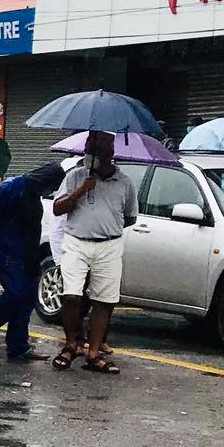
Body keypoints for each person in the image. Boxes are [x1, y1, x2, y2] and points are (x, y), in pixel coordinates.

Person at [51, 131, 139, 374]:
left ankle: (94, 352)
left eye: (95, 153)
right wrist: (80, 190)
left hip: (109, 244)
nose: (90, 157)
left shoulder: (124, 182)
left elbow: (130, 217)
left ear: (109, 155)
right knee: (71, 295)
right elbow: (58, 209)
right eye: (88, 152)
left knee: (104, 300)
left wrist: (106, 226)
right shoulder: (75, 176)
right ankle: (71, 344)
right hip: (77, 241)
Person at [0, 163, 65, 363]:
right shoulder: (12, 188)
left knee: (26, 300)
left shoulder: (33, 193)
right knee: (18, 293)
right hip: (6, 251)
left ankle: (18, 346)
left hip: (26, 253)